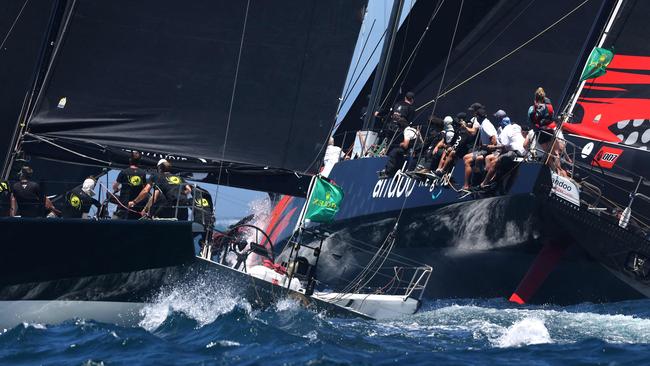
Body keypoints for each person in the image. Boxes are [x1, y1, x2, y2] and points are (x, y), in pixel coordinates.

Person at [461, 105, 497, 190]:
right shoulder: (483, 123)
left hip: (488, 151)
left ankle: (466, 186)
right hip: (484, 150)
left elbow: (494, 140)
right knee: (465, 157)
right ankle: (473, 182)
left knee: (468, 161)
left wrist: (487, 148)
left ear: (477, 116)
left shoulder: (486, 125)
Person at [112, 151, 147, 219]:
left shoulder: (124, 172)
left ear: (130, 160)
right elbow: (144, 188)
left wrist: (117, 189)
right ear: (139, 161)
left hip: (124, 203)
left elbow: (115, 186)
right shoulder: (143, 173)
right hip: (137, 204)